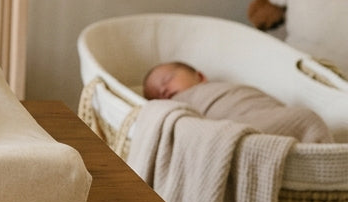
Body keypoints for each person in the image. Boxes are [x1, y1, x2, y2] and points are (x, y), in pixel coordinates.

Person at [142, 61, 333, 143]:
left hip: (262, 113)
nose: (163, 91)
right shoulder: (177, 107)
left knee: (300, 117)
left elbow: (256, 103)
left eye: (167, 80)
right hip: (233, 126)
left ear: (200, 76)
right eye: (155, 96)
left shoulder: (223, 89)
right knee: (304, 117)